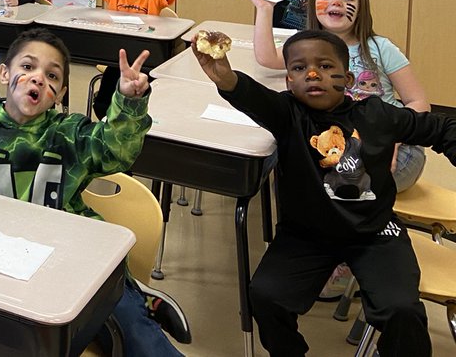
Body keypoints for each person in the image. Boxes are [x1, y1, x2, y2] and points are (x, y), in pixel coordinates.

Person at [0, 27, 189, 354]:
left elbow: (117, 152)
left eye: (52, 75)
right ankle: (134, 296)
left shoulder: (69, 132)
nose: (39, 78)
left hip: (73, 258)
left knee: (131, 330)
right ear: (4, 73)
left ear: (60, 93)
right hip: (5, 260)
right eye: (27, 67)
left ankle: (131, 296)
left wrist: (128, 102)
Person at [193, 28, 456, 357]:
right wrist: (226, 78)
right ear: (288, 80)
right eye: (300, 68)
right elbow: (253, 97)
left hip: (375, 231)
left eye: (326, 67)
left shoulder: (375, 113)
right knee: (266, 295)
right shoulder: (289, 114)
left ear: (347, 79)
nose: (313, 74)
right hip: (306, 234)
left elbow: (440, 127)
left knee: (402, 309)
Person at [248, 0, 429, 190]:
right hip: (335, 143)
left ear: (361, 8)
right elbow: (266, 57)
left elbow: (418, 102)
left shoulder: (381, 48)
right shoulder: (305, 47)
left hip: (394, 147)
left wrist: (392, 139)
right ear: (312, 3)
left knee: (319, 179)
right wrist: (265, 8)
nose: (337, 2)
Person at [86, 0, 180, 118]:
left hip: (146, 58)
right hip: (117, 56)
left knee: (146, 103)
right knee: (104, 103)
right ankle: (109, 121)